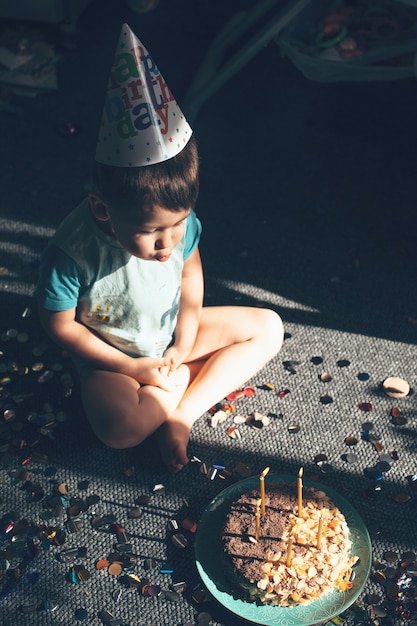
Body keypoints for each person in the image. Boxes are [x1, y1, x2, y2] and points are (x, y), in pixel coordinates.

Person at [36, 25, 284, 472]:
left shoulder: (176, 227)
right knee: (119, 431)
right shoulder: (73, 250)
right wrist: (134, 370)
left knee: (268, 327)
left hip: (170, 339)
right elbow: (62, 328)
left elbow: (191, 276)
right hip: (112, 356)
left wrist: (184, 341)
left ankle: (181, 416)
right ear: (103, 208)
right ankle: (180, 388)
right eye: (152, 231)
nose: (168, 243)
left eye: (179, 224)